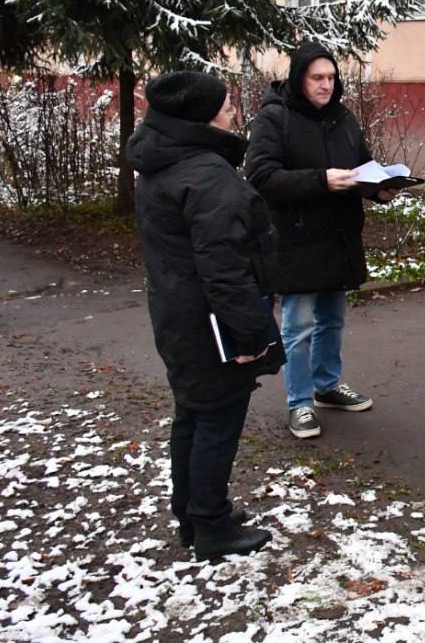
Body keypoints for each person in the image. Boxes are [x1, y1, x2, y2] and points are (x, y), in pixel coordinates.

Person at [128, 71, 281, 561]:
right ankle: (211, 527)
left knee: (193, 413)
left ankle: (193, 512)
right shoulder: (207, 176)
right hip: (212, 325)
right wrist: (252, 334)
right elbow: (225, 271)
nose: (234, 113)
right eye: (226, 107)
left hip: (176, 314)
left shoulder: (161, 161)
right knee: (217, 418)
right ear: (202, 118)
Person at [245, 42, 394, 439]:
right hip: (296, 239)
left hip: (338, 236)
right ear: (299, 79)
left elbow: (361, 167)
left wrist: (380, 188)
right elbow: (260, 175)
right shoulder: (274, 118)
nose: (326, 85)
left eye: (331, 77)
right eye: (317, 78)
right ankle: (300, 402)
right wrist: (320, 180)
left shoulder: (342, 117)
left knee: (332, 319)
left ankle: (327, 386)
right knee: (298, 326)